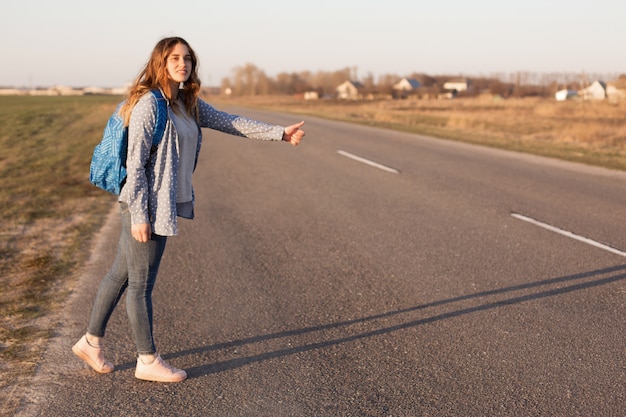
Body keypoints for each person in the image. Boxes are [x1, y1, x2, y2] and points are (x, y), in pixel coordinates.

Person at [72, 36, 305, 383]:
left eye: (187, 59)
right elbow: (135, 165)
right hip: (145, 204)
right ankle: (147, 360)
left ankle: (90, 342)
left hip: (156, 202)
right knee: (140, 284)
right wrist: (139, 216)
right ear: (160, 63)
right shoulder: (150, 104)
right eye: (174, 58)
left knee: (120, 274)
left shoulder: (186, 102)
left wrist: (279, 134)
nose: (183, 64)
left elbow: (229, 121)